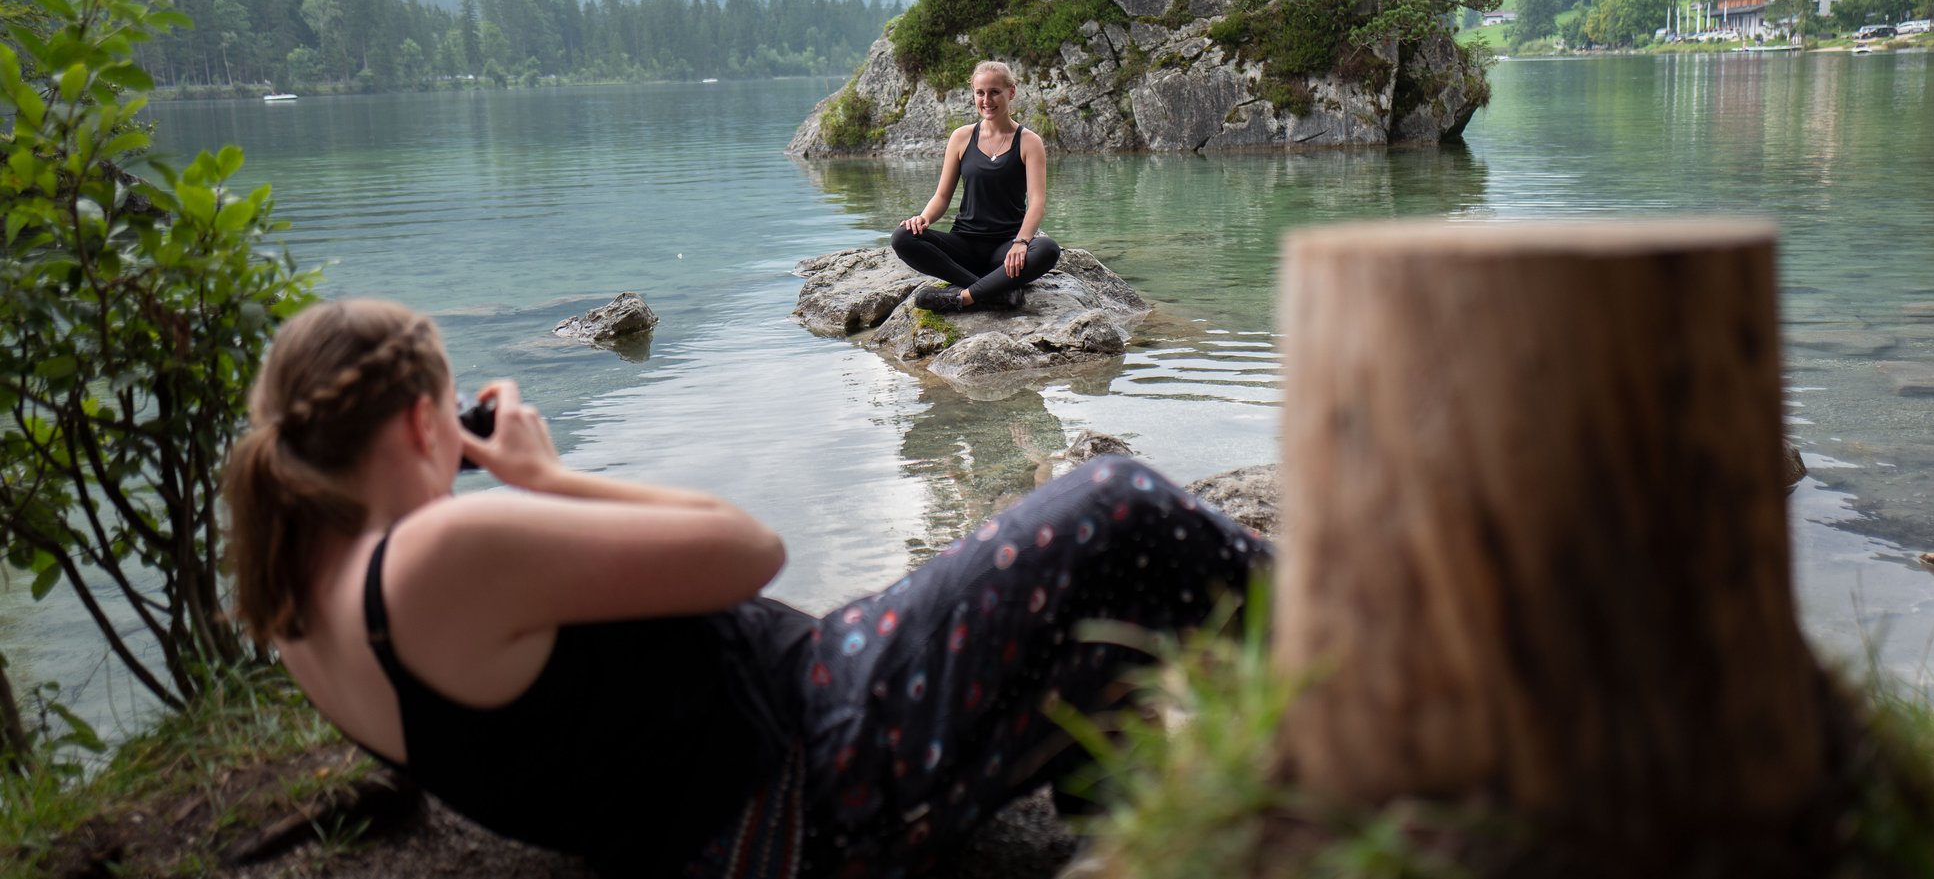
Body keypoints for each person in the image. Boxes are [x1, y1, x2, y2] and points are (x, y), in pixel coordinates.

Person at [225, 298, 1268, 877]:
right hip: (816, 761)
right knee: (1113, 500)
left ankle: (1117, 805)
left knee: (1086, 602)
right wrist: (544, 476)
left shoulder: (302, 605)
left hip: (735, 811)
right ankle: (1358, 632)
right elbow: (750, 548)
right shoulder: (435, 559)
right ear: (419, 426)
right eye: (449, 418)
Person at [891, 60, 1059, 312]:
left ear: (1011, 92)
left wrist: (1021, 242)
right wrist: (923, 218)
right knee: (903, 237)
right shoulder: (961, 137)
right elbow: (941, 196)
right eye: (980, 93)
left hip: (1005, 251)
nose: (986, 100)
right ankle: (995, 293)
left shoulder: (1028, 142)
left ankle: (965, 296)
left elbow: (1037, 203)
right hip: (964, 245)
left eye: (994, 92)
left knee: (1047, 249)